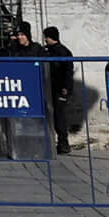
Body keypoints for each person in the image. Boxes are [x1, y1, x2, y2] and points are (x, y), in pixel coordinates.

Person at [38, 25, 85, 155]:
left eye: (46, 37)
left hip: (59, 88)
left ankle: (63, 143)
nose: (45, 40)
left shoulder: (62, 51)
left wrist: (65, 88)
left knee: (59, 116)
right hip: (49, 87)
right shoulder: (47, 50)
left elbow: (67, 72)